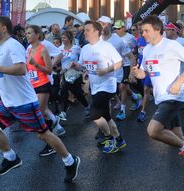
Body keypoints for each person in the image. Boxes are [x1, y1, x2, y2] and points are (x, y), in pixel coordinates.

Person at [0, 16, 80, 182]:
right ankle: (11, 157)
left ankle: (70, 161)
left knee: (43, 135)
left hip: (23, 101)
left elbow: (21, 69)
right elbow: (1, 70)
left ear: (3, 28)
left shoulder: (13, 45)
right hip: (7, 101)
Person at [132, 16, 184, 185]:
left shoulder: (171, 45)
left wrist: (179, 81)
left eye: (145, 30)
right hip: (160, 97)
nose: (142, 33)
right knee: (178, 136)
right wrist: (140, 74)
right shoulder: (147, 50)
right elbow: (146, 71)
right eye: (141, 30)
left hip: (173, 96)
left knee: (153, 130)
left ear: (157, 30)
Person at [78, 20, 126, 154]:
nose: (85, 32)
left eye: (87, 30)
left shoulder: (106, 46)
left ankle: (109, 139)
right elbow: (83, 65)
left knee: (94, 114)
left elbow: (119, 62)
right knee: (106, 116)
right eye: (84, 30)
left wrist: (106, 70)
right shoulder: (85, 48)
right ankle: (119, 140)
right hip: (95, 86)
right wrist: (76, 66)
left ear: (97, 31)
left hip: (107, 85)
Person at [25, 25, 65, 156]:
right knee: (39, 115)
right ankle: (54, 123)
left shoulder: (43, 50)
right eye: (26, 33)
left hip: (43, 85)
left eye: (30, 33)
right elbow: (28, 69)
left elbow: (48, 70)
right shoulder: (29, 49)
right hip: (32, 86)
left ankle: (51, 144)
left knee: (39, 116)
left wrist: (36, 64)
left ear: (37, 35)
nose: (27, 35)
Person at [57, 30, 89, 119]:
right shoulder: (60, 48)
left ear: (70, 38)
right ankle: (63, 112)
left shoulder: (76, 48)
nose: (62, 39)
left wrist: (80, 67)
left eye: (64, 37)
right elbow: (56, 59)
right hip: (65, 73)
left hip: (75, 73)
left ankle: (86, 106)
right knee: (64, 90)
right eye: (62, 37)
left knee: (77, 93)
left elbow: (82, 59)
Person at [113, 19, 142, 116]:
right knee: (122, 87)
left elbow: (135, 51)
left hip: (126, 64)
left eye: (119, 28)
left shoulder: (130, 38)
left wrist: (133, 66)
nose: (117, 30)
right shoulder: (113, 37)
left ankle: (123, 110)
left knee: (122, 86)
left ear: (124, 28)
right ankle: (135, 97)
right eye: (115, 28)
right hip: (117, 65)